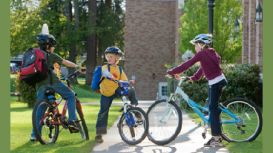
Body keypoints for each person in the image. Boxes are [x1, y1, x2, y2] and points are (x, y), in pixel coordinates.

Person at [167, 34, 227, 147]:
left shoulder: (202, 54)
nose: (195, 48)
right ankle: (217, 131)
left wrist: (173, 71)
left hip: (215, 83)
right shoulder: (210, 53)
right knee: (210, 107)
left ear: (201, 44)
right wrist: (193, 78)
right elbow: (203, 68)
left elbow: (187, 64)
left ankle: (217, 138)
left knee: (212, 109)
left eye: (195, 45)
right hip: (218, 82)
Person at [30, 25, 80, 141]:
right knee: (71, 96)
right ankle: (72, 119)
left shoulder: (34, 54)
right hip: (53, 82)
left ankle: (34, 135)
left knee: (40, 110)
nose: (53, 48)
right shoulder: (50, 55)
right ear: (48, 46)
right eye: (52, 46)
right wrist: (78, 66)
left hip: (39, 85)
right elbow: (66, 62)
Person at [95, 46, 138, 143]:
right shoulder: (104, 68)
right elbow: (106, 74)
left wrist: (129, 82)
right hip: (106, 93)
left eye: (111, 57)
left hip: (116, 89)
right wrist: (110, 77)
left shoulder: (120, 69)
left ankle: (134, 108)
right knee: (103, 112)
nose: (109, 58)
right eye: (108, 56)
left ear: (117, 58)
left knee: (131, 90)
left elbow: (124, 80)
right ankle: (99, 134)